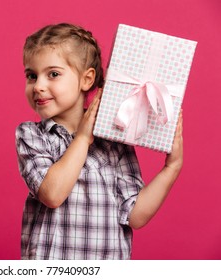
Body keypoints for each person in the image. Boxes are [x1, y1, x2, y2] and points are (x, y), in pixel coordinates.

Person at [15, 23, 183, 260]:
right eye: (32, 76)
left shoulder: (114, 141)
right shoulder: (32, 135)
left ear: (87, 80)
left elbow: (135, 215)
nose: (39, 86)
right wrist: (83, 137)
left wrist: (170, 168)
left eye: (53, 74)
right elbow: (52, 194)